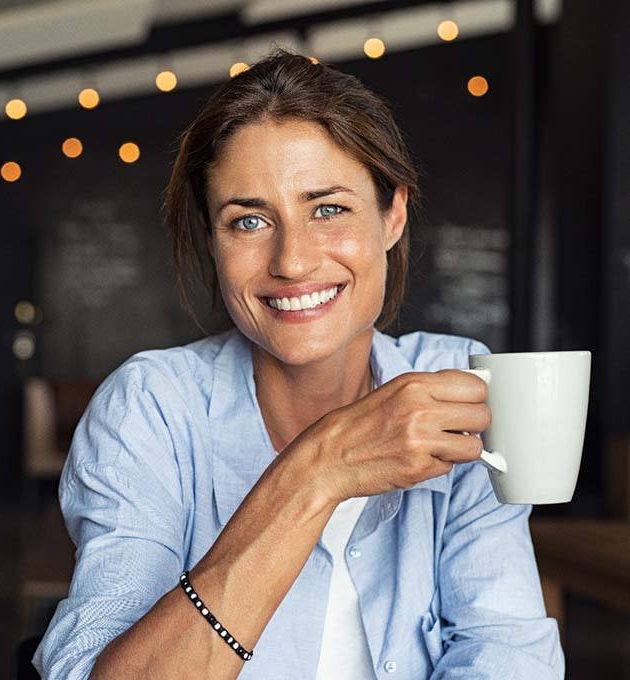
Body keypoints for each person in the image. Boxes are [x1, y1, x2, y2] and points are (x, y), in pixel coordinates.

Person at [33, 49, 564, 679]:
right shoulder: (150, 410)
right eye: (249, 221)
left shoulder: (459, 389)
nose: (291, 260)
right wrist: (316, 472)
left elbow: (507, 655)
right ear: (213, 241)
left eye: (328, 209)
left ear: (391, 214)